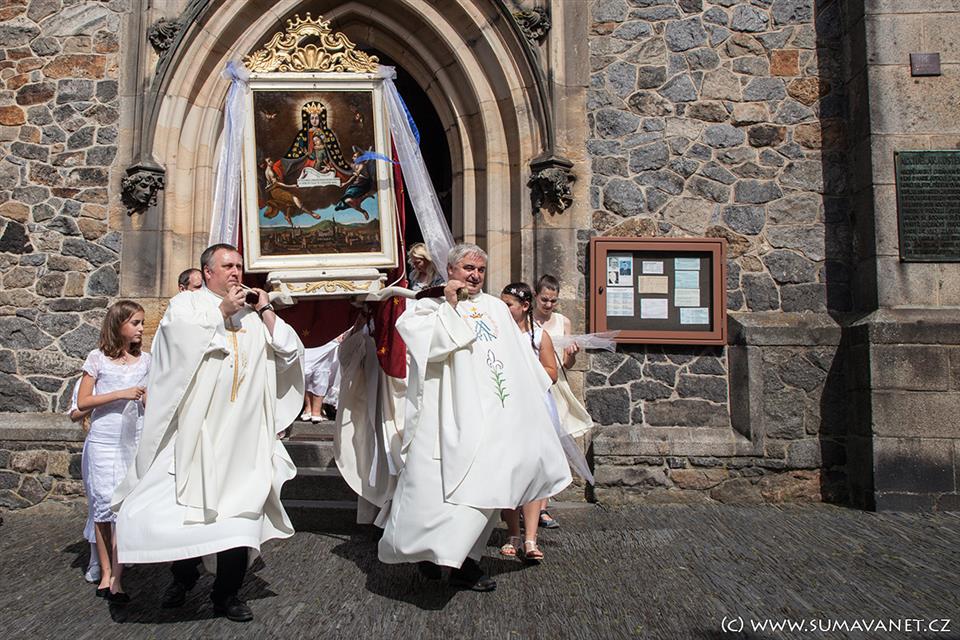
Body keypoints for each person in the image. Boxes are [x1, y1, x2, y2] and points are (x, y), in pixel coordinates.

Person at [112, 243, 304, 623]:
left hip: (244, 439)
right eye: (227, 265)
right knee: (186, 513)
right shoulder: (189, 304)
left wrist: (265, 310)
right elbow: (174, 345)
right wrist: (221, 312)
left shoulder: (252, 315)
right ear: (208, 272)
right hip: (197, 433)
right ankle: (182, 577)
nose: (236, 272)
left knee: (239, 519)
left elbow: (290, 353)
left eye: (239, 266)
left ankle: (226, 595)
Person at [377, 243, 571, 591]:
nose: (475, 275)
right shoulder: (429, 305)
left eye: (480, 270)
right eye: (468, 268)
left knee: (485, 489)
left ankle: (465, 563)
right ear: (451, 269)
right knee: (435, 492)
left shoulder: (496, 308)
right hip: (445, 416)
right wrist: (450, 307)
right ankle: (430, 555)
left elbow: (517, 357)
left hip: (493, 416)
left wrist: (531, 396)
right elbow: (425, 345)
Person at [76, 300, 151, 603]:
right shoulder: (97, 359)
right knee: (102, 506)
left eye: (142, 323)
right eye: (135, 323)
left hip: (133, 441)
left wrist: (147, 399)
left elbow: (151, 402)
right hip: (103, 442)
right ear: (118, 325)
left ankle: (117, 577)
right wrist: (120, 394)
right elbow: (83, 402)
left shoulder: (146, 361)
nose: (141, 328)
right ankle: (105, 571)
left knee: (123, 507)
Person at [498, 282, 559, 563]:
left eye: (508, 305)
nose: (503, 309)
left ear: (524, 307)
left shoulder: (538, 337)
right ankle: (512, 533)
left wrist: (525, 371)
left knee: (533, 471)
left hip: (533, 408)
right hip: (505, 409)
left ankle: (531, 538)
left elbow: (552, 372)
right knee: (508, 471)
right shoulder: (496, 336)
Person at [532, 274, 577, 529]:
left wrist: (572, 355)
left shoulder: (563, 322)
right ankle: (527, 504)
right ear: (536, 296)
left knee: (551, 447)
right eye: (545, 300)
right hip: (533, 386)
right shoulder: (527, 320)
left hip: (555, 387)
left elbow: (567, 365)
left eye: (553, 301)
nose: (549, 305)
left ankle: (543, 508)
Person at [68, 379, 99, 584]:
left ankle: (123, 553)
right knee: (98, 505)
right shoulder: (90, 377)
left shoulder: (140, 370)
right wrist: (106, 398)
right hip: (100, 446)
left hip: (130, 445)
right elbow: (75, 413)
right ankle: (96, 560)